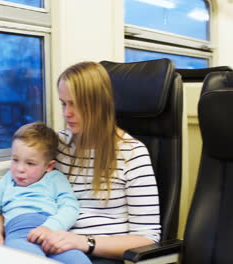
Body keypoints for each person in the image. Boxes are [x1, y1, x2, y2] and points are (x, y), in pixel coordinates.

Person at [42, 61, 161, 263]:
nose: (66, 113)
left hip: (101, 255)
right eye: (63, 103)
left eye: (75, 104)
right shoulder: (57, 145)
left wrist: (84, 242)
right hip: (55, 245)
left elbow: (147, 239)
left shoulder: (132, 153)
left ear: (98, 104)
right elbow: (20, 187)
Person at [0, 121, 91, 264]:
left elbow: (70, 207)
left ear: (49, 166)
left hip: (53, 234)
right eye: (15, 160)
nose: (20, 169)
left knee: (80, 261)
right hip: (19, 236)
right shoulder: (7, 181)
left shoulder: (55, 178)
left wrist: (50, 227)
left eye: (30, 163)